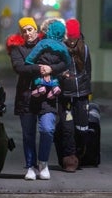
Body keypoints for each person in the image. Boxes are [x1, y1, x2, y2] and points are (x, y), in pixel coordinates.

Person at [6, 17, 67, 180]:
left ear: (35, 30)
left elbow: (62, 62)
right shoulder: (17, 49)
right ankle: (31, 166)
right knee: (28, 134)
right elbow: (19, 67)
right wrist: (40, 69)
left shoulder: (47, 44)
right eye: (24, 31)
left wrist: (51, 68)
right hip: (26, 97)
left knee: (47, 129)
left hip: (46, 97)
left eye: (30, 29)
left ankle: (43, 163)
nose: (27, 33)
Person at [54, 18, 92, 172]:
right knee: (67, 128)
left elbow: (88, 71)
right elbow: (56, 70)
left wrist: (87, 89)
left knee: (82, 128)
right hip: (66, 96)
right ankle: (69, 158)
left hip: (82, 94)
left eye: (74, 38)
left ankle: (79, 154)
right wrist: (62, 76)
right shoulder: (60, 49)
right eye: (69, 38)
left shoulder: (85, 49)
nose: (71, 41)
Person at [25, 19, 70, 99]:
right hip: (54, 68)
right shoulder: (63, 46)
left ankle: (40, 87)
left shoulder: (44, 42)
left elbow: (34, 53)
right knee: (55, 77)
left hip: (42, 65)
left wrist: (29, 61)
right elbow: (67, 60)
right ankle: (55, 87)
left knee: (38, 76)